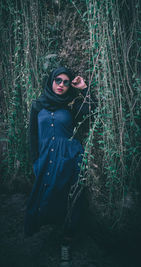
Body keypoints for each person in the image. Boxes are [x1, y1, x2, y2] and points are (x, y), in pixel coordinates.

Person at [24, 67, 95, 267]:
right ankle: (50, 229)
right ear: (51, 81)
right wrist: (35, 162)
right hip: (46, 159)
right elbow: (33, 136)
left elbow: (92, 109)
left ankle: (67, 242)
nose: (61, 85)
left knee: (71, 199)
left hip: (69, 158)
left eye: (65, 81)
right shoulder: (38, 105)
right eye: (58, 80)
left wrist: (83, 88)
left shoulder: (71, 104)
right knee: (47, 196)